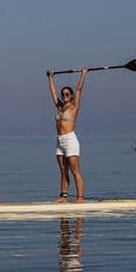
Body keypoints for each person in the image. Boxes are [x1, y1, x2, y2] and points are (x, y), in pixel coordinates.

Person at [47, 67, 88, 202]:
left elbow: (78, 90)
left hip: (70, 141)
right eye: (63, 94)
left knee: (74, 170)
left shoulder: (73, 107)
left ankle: (80, 197)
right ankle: (63, 197)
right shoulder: (60, 108)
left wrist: (83, 74)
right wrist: (50, 78)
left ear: (70, 96)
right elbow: (53, 93)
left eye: (66, 94)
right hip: (60, 142)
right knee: (63, 170)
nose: (64, 96)